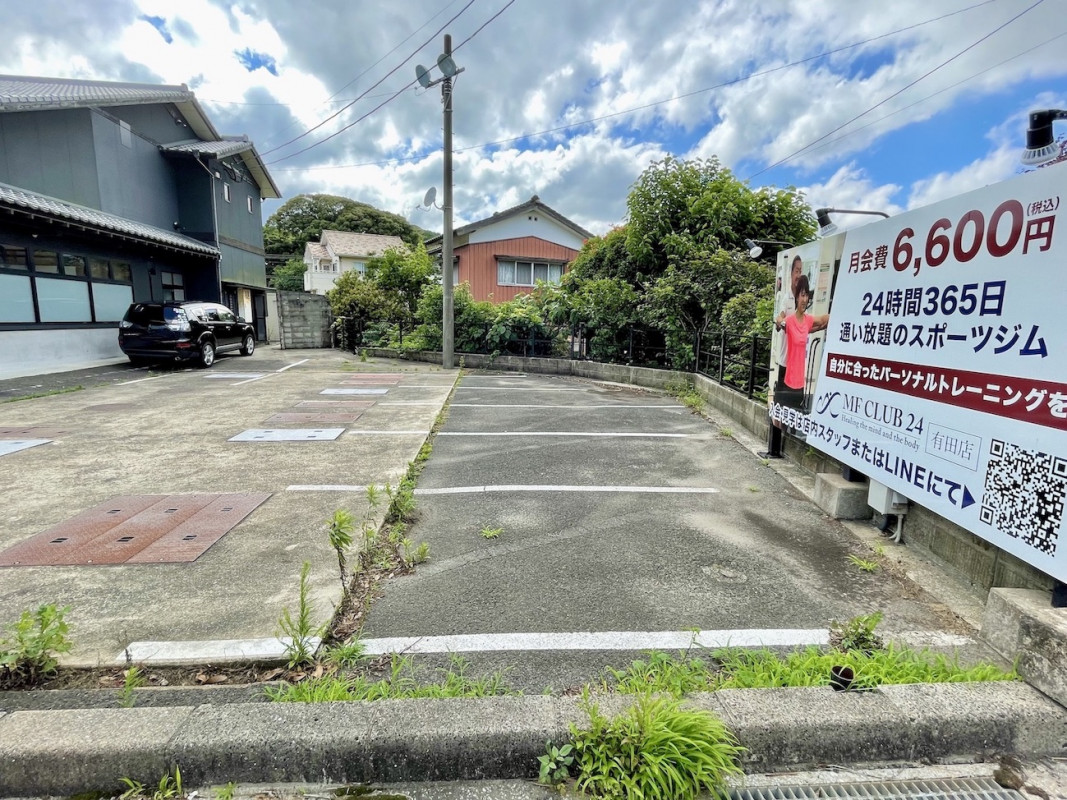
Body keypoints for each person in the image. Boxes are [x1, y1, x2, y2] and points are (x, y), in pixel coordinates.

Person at [775, 273, 829, 409]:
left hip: (800, 382)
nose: (804, 299)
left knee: (795, 420)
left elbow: (823, 321)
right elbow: (779, 321)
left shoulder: (808, 320)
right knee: (781, 417)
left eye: (806, 295)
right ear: (797, 297)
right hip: (788, 379)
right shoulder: (790, 320)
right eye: (802, 295)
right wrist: (781, 324)